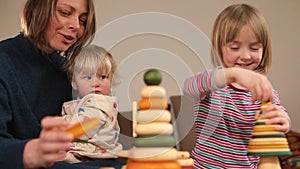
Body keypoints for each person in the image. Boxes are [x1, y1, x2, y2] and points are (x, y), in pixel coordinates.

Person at [0, 0, 124, 169]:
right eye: (65, 13)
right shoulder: (4, 61)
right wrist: (31, 151)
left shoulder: (66, 71)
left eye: (82, 20)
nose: (75, 26)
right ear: (38, 9)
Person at [183, 4, 291, 169]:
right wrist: (234, 74)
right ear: (219, 46)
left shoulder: (264, 91)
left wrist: (284, 121)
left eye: (254, 48)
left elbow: (279, 117)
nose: (246, 56)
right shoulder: (213, 84)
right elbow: (188, 87)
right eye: (235, 47)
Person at [62, 44, 123, 163]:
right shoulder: (86, 102)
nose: (95, 83)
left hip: (95, 153)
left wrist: (61, 123)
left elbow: (82, 128)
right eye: (87, 77)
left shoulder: (100, 103)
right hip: (86, 151)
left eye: (103, 77)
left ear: (111, 80)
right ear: (74, 82)